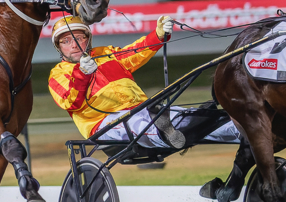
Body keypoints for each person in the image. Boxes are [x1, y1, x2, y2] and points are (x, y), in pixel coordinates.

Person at [48, 15, 242, 148]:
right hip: (103, 122)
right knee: (140, 126)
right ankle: (165, 133)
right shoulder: (57, 74)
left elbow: (135, 52)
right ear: (59, 47)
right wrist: (82, 73)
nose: (74, 45)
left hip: (144, 109)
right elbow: (71, 102)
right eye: (66, 41)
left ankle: (243, 131)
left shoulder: (105, 53)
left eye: (79, 38)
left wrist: (158, 35)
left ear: (88, 39)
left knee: (189, 117)